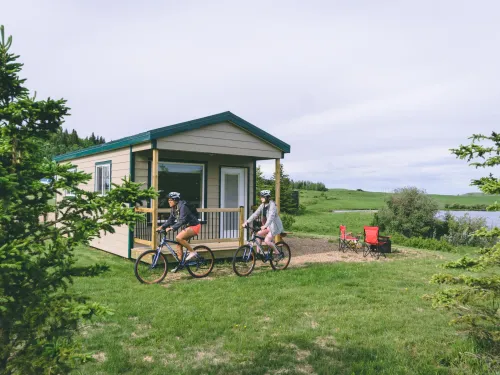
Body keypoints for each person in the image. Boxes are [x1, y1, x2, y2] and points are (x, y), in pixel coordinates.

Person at [156, 192, 201, 272]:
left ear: (175, 200)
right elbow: (170, 220)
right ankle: (180, 265)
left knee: (178, 238)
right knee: (178, 246)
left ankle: (192, 252)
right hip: (187, 227)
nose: (168, 201)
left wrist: (172, 228)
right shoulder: (174, 208)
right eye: (168, 200)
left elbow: (182, 220)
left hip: (194, 226)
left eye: (170, 200)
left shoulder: (182, 206)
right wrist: (162, 226)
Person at [242, 190, 284, 255]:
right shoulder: (263, 205)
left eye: (262, 197)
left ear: (267, 197)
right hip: (268, 226)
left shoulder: (272, 205)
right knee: (258, 234)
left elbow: (271, 217)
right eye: (260, 197)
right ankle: (259, 253)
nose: (261, 198)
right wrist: (247, 222)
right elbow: (255, 214)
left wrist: (265, 225)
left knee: (267, 240)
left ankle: (277, 253)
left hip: (275, 227)